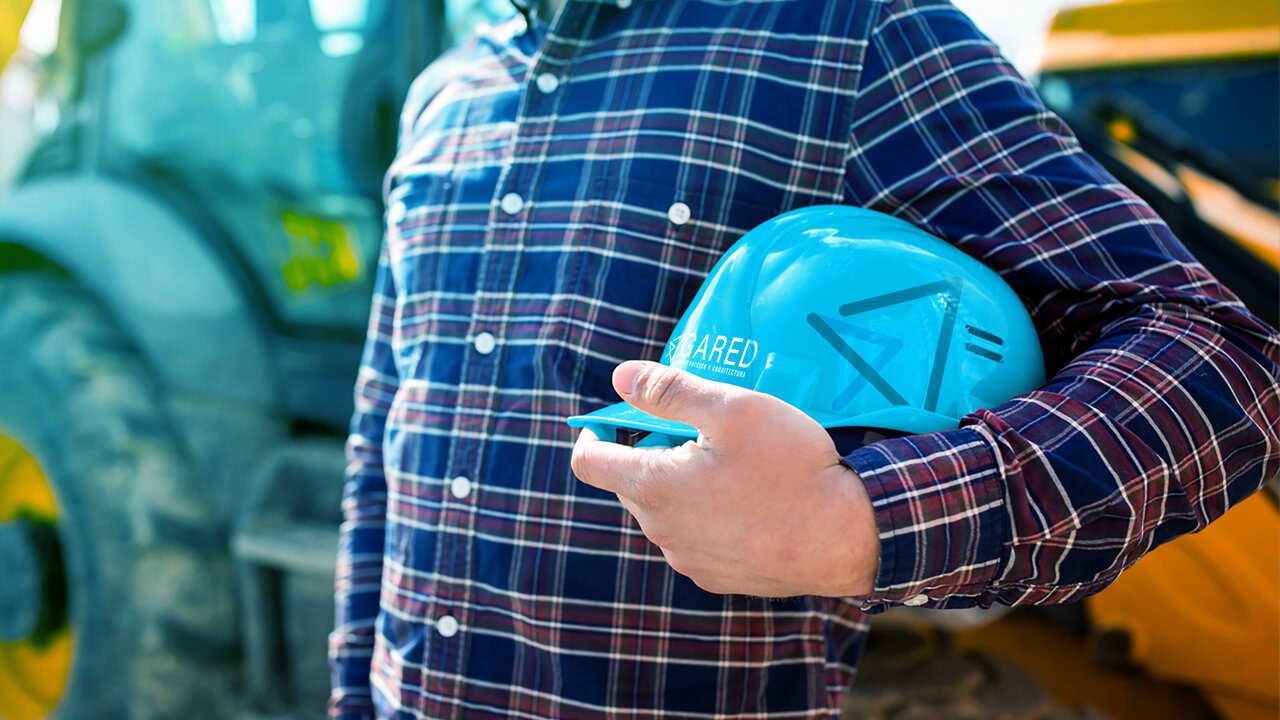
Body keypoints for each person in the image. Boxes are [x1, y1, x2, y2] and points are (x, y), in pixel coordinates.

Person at [329, 0, 1280, 717]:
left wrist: (863, 522)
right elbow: (385, 438)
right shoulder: (446, 95)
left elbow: (1218, 361)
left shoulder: (854, 38)